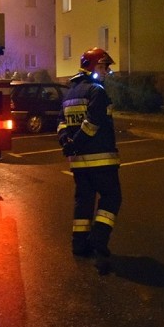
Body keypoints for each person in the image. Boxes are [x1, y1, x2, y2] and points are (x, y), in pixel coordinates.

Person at [58, 47, 121, 274]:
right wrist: (76, 142)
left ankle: (79, 244)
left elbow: (61, 123)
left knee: (83, 201)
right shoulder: (97, 91)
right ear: (93, 67)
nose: (107, 71)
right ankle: (98, 239)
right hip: (101, 159)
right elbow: (93, 124)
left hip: (78, 162)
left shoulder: (69, 92)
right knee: (112, 198)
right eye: (105, 66)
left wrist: (67, 142)